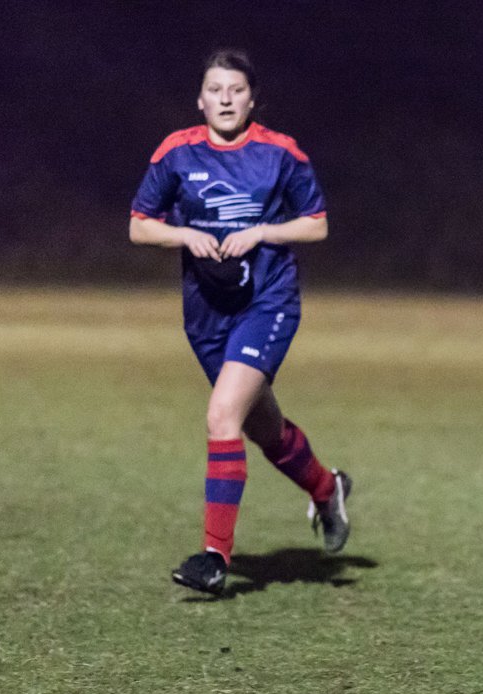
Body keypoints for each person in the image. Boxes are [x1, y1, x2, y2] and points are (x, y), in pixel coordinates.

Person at [129, 49, 350, 595]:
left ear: (253, 99)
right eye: (215, 89)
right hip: (205, 314)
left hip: (267, 304)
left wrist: (261, 233)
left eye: (236, 90)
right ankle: (327, 489)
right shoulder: (176, 153)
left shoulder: (280, 154)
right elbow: (139, 225)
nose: (225, 99)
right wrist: (184, 235)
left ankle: (214, 558)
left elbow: (316, 225)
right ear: (200, 99)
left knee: (222, 415)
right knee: (263, 430)